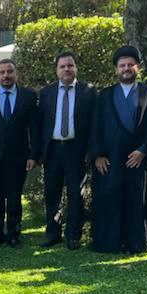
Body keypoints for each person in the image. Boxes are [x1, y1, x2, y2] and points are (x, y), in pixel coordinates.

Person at [90, 45, 147, 253]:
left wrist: (143, 150)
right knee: (110, 198)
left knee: (136, 200)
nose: (126, 68)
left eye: (130, 65)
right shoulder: (105, 95)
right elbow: (96, 126)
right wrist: (98, 155)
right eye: (122, 65)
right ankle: (110, 242)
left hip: (136, 159)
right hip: (110, 159)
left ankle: (136, 243)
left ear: (138, 67)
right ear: (116, 69)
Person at [0, 59, 39, 246]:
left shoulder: (28, 96)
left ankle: (13, 233)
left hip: (18, 156)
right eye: (2, 72)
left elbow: (34, 128)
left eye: (9, 71)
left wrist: (33, 155)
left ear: (15, 74)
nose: (6, 76)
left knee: (14, 196)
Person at [39, 51, 96, 250]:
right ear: (56, 70)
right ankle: (52, 233)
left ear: (76, 68)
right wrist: (39, 153)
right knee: (51, 193)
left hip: (76, 150)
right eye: (62, 66)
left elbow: (93, 123)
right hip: (53, 149)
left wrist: (91, 151)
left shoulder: (88, 91)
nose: (66, 69)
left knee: (75, 193)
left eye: (70, 66)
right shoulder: (46, 93)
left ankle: (73, 235)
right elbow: (40, 124)